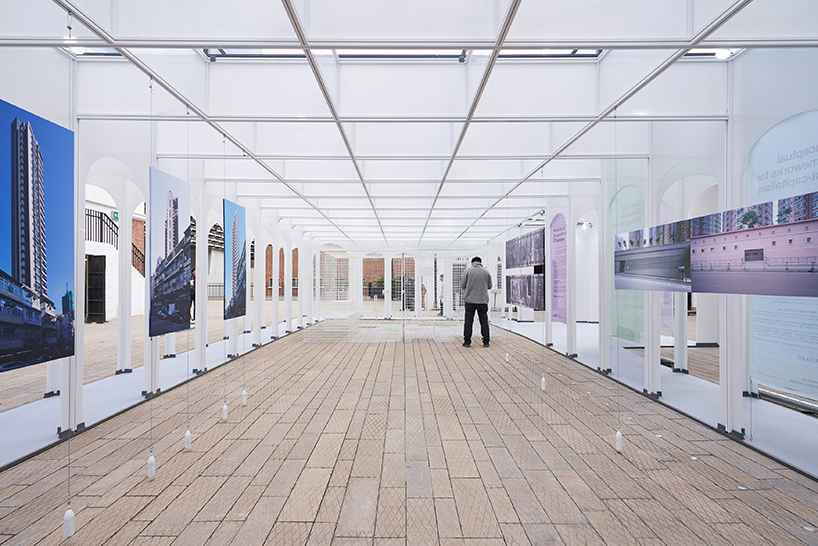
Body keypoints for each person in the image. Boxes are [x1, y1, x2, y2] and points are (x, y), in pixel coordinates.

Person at [460, 256, 492, 347]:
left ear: (472, 263)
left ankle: (467, 342)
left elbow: (462, 285)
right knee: (484, 322)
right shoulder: (486, 272)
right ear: (480, 262)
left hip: (470, 301)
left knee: (468, 322)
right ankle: (486, 342)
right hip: (482, 301)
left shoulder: (467, 271)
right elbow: (489, 286)